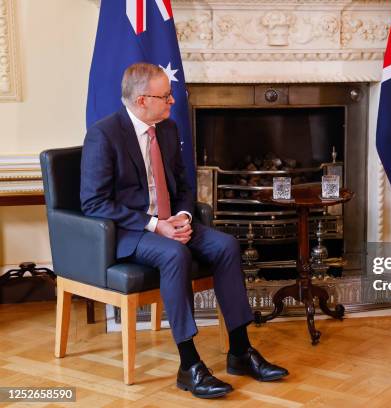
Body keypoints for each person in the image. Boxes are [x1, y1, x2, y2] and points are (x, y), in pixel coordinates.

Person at [81, 63, 288, 399]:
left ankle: (240, 351)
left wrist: (181, 215)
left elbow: (183, 185)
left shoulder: (166, 128)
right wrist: (155, 225)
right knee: (175, 254)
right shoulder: (104, 135)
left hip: (169, 221)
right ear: (142, 99)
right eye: (166, 96)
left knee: (226, 246)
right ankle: (189, 365)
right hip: (132, 231)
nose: (173, 101)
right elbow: (93, 203)